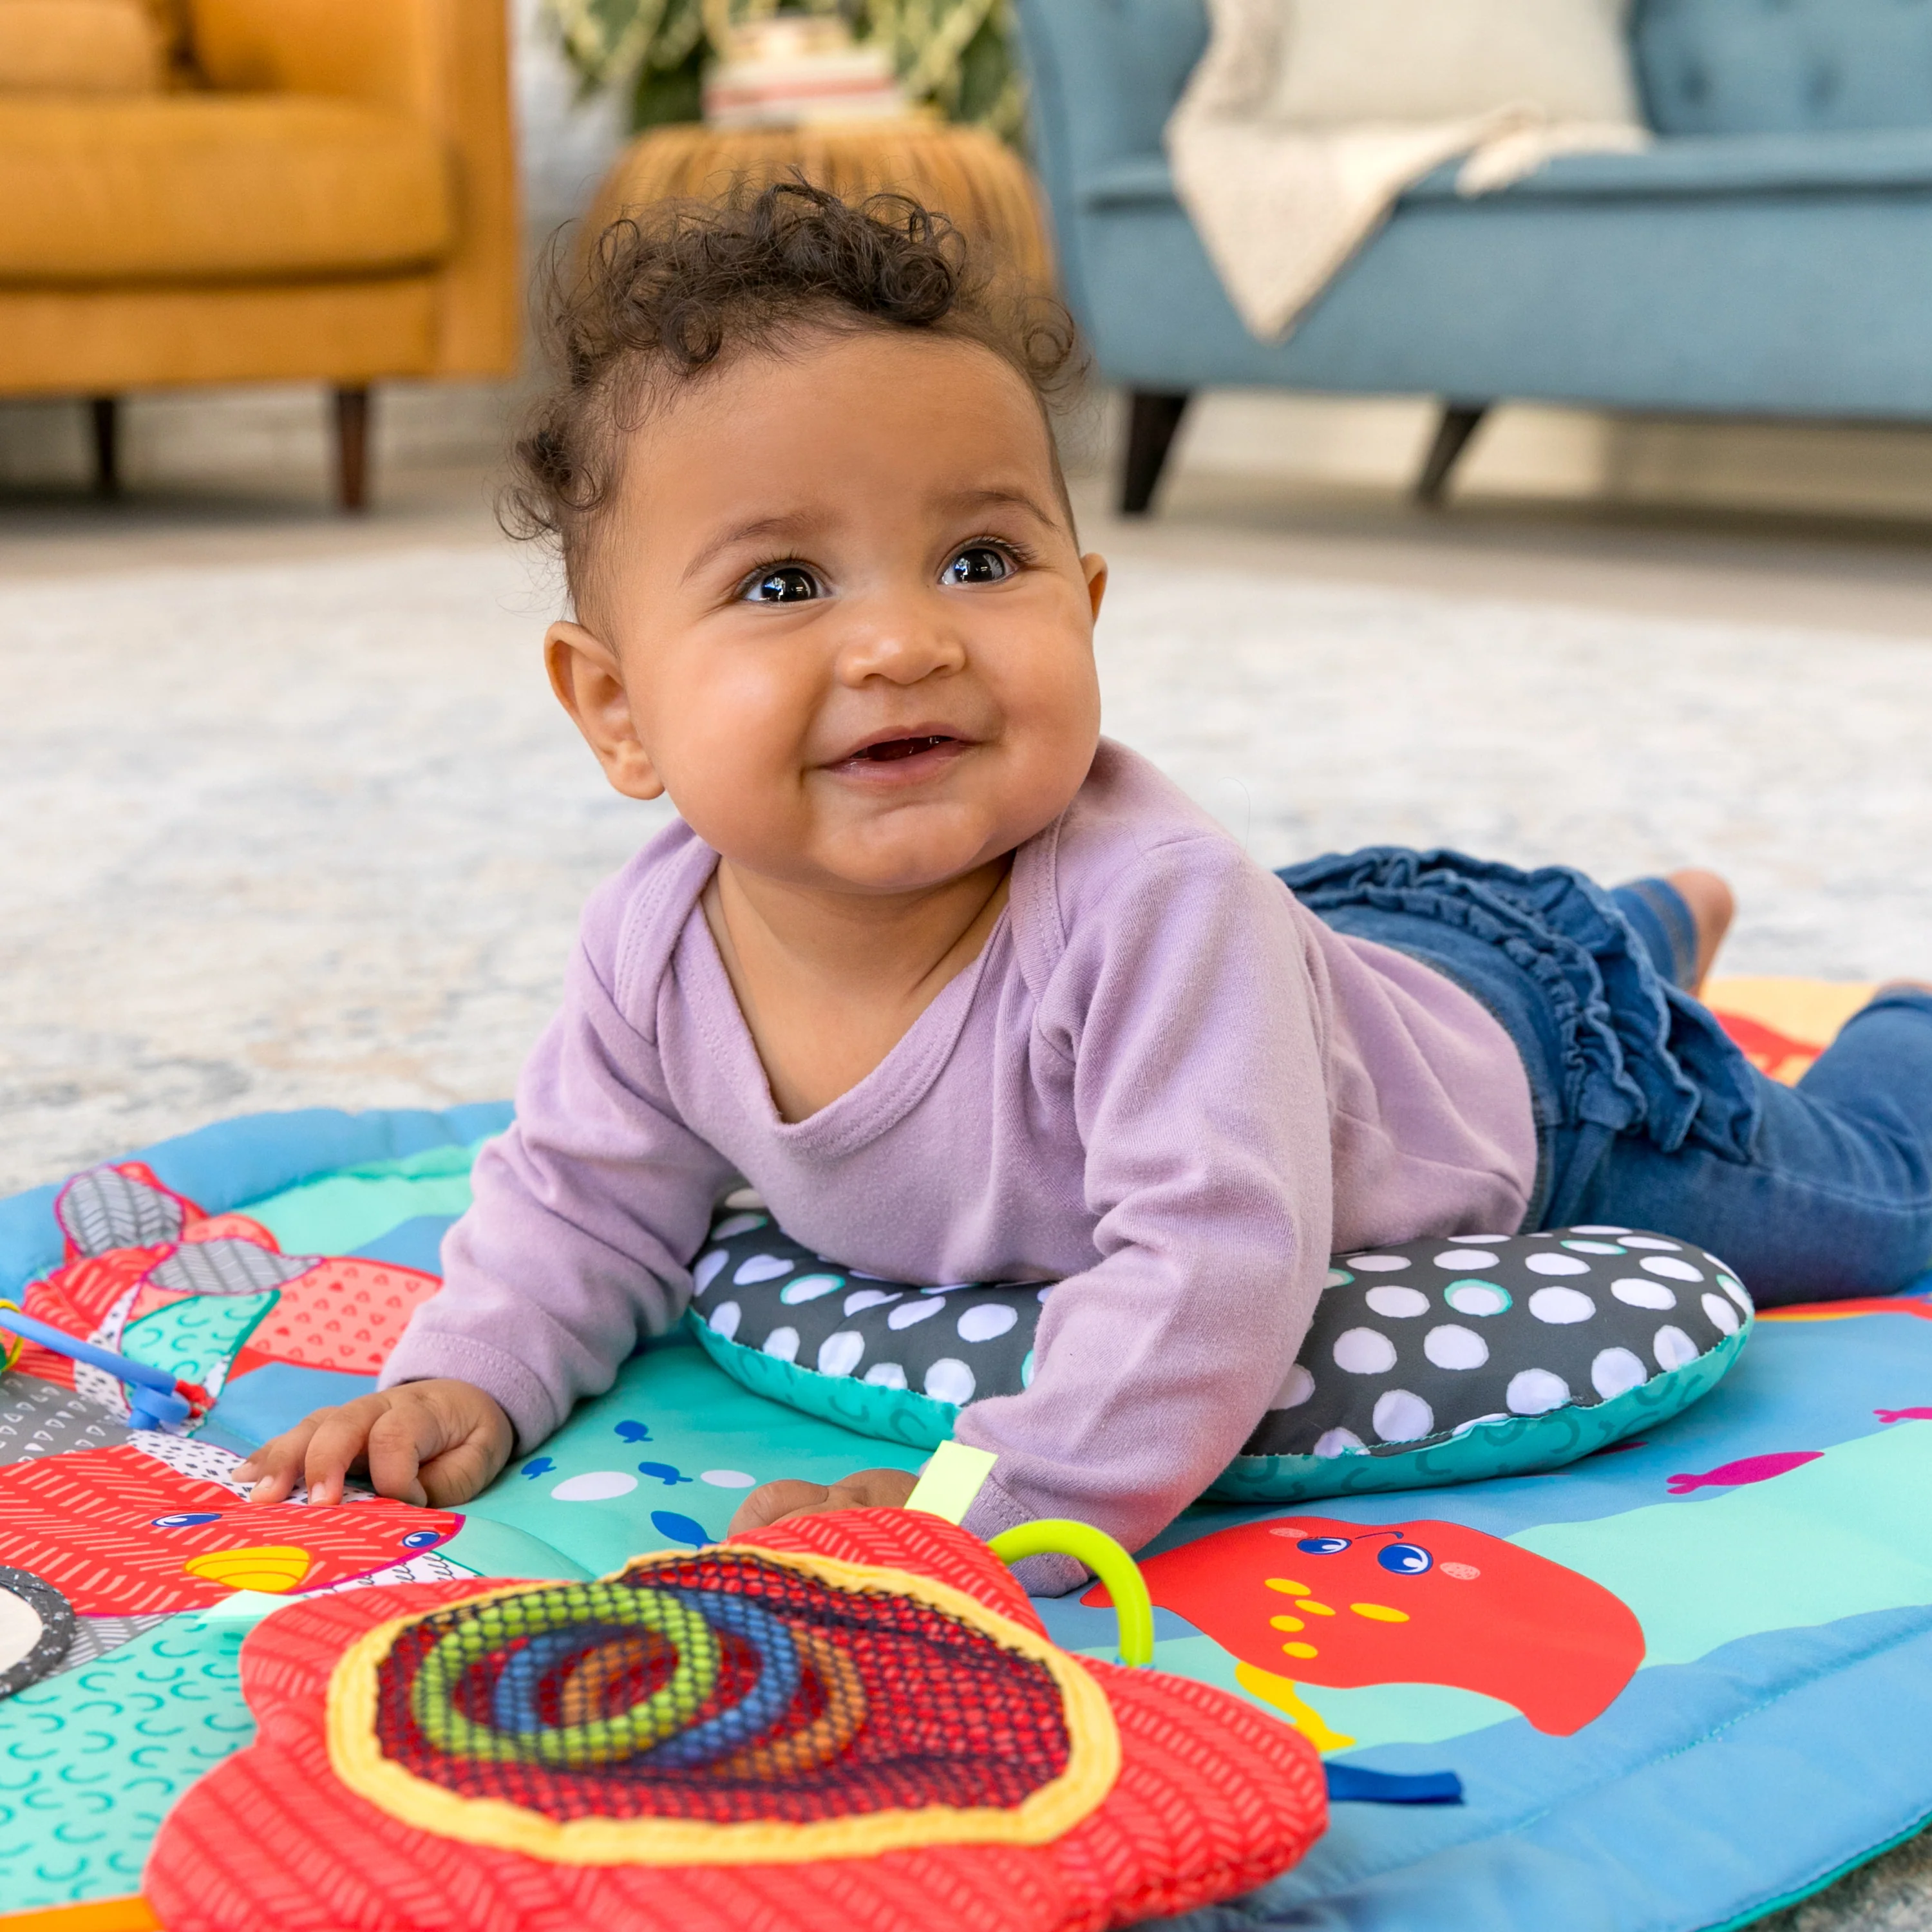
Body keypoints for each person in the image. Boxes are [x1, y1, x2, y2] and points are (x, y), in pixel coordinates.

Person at [236, 184, 1932, 1589]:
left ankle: (1750, 985)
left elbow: (1216, 1269)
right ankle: (1639, 917)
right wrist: (468, 1375)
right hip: (1343, 951)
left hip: (1548, 1097)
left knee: (1875, 1207)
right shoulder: (656, 943)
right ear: (616, 707)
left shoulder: (1153, 904)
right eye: (781, 581)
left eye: (983, 561)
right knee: (1393, 966)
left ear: (1088, 602)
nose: (905, 637)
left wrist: (978, 1519)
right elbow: (585, 1199)